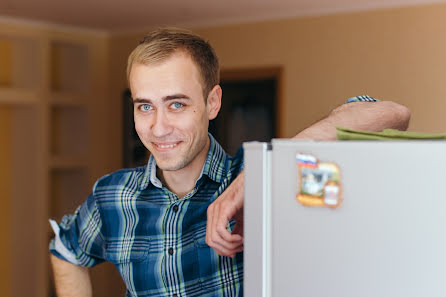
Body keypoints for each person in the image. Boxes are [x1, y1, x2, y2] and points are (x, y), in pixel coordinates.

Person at [49, 27, 411, 297]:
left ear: (212, 102)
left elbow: (392, 114)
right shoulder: (111, 196)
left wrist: (259, 174)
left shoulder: (271, 184)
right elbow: (66, 249)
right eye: (145, 106)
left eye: (176, 104)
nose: (158, 127)